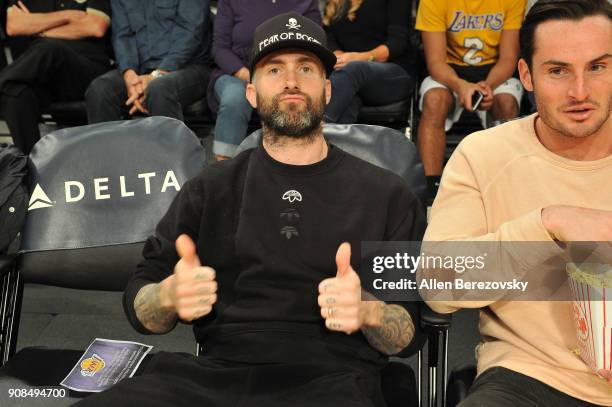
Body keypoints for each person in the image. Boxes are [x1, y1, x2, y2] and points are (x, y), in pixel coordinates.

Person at [79, 12, 426, 406]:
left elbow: (408, 333)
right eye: (274, 69)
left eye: (306, 68)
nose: (291, 81)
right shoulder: (210, 189)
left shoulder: (387, 195)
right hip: (212, 377)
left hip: (332, 379)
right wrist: (167, 297)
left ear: (328, 91)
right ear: (251, 92)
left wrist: (369, 312)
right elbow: (140, 304)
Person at [423, 0, 612, 405]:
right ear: (526, 75)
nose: (580, 91)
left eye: (598, 67)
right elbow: (438, 282)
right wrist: (547, 223)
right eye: (558, 71)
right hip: (529, 376)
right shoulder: (483, 155)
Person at [415, 0, 526, 203]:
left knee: (507, 104)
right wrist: (461, 86)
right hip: (450, 71)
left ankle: (506, 189)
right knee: (434, 100)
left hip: (494, 72)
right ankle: (430, 192)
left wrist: (487, 86)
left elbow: (509, 58)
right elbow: (435, 62)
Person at [209, 0, 321, 161]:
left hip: (287, 72)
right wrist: (250, 76)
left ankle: (296, 163)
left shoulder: (306, 2)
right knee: (236, 96)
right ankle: (224, 165)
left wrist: (278, 76)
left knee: (297, 90)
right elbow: (220, 48)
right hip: (237, 73)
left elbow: (313, 46)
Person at [0, 0, 112, 155]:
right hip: (47, 79)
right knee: (16, 94)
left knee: (49, 47)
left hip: (87, 72)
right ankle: (29, 170)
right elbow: (15, 26)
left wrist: (38, 28)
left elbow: (95, 26)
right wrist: (69, 16)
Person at [85, 0, 212, 124]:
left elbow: (190, 34)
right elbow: (122, 35)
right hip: (141, 68)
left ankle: (168, 146)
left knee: (159, 88)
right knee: (100, 90)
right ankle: (110, 145)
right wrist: (129, 74)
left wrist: (157, 74)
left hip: (188, 66)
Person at [322, 0, 414, 124]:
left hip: (393, 72)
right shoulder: (336, 2)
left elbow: (398, 42)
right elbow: (329, 38)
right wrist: (338, 57)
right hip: (348, 77)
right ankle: (336, 142)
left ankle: (314, 132)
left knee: (354, 70)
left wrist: (361, 57)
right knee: (347, 103)